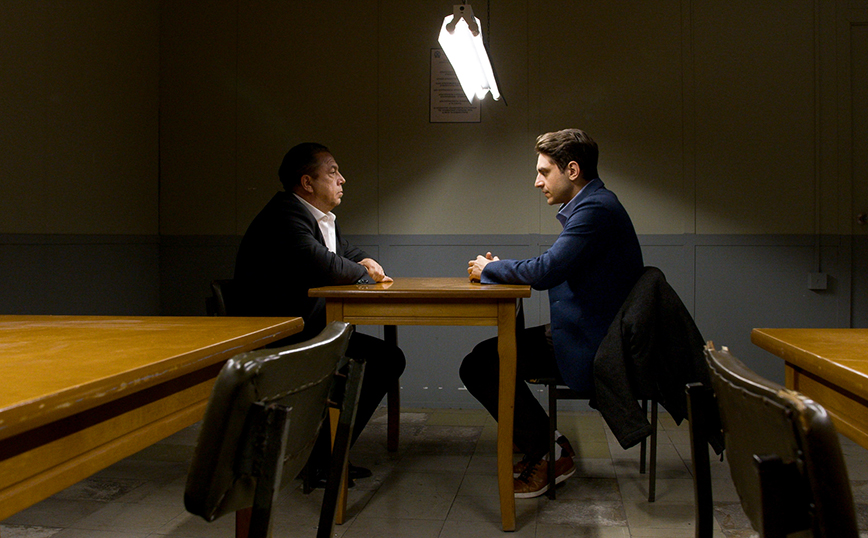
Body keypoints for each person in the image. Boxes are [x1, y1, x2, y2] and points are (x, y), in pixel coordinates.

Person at [460, 129, 644, 498]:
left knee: (481, 365)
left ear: (572, 170)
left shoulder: (596, 210)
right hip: (588, 331)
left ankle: (549, 454)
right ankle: (546, 445)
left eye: (544, 172)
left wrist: (491, 269)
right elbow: (551, 265)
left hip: (594, 344)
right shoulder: (596, 205)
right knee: (485, 358)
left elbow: (546, 270)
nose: (537, 181)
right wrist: (502, 270)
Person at [234, 142, 406, 484]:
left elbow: (343, 253)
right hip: (282, 337)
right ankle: (321, 458)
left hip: (308, 329)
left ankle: (325, 455)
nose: (342, 179)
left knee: (386, 358)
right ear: (307, 183)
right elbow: (325, 264)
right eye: (333, 172)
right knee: (383, 360)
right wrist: (362, 271)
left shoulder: (317, 217)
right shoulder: (285, 215)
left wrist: (362, 261)